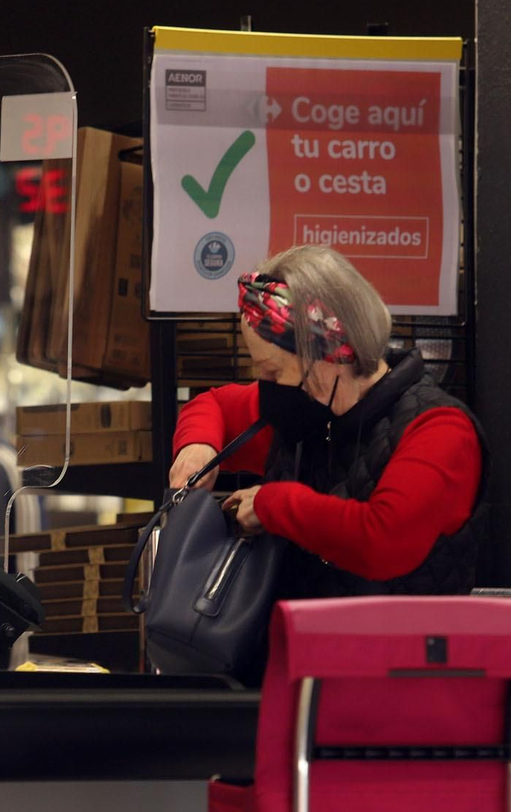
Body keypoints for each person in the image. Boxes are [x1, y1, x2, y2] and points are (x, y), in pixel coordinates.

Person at [168, 245, 487, 599]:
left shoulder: (440, 429)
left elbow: (384, 542)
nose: (265, 385)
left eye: (274, 370)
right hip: (299, 645)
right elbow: (213, 406)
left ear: (326, 353)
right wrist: (197, 447)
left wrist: (273, 505)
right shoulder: (307, 406)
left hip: (398, 648)